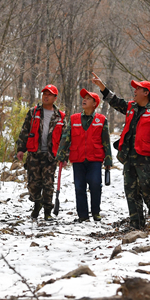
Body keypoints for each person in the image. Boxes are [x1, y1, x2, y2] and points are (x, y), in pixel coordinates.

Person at [91, 72, 150, 229]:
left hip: (145, 156)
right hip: (129, 155)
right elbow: (115, 101)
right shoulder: (131, 107)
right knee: (130, 189)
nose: (134, 91)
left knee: (146, 187)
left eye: (138, 88)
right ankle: (136, 222)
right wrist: (102, 87)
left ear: (146, 93)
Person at [56, 89, 113, 222]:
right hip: (78, 158)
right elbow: (66, 137)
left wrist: (108, 159)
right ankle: (82, 215)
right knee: (79, 187)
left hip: (95, 159)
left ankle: (95, 212)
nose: (84, 100)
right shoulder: (74, 119)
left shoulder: (101, 120)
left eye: (88, 98)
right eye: (84, 98)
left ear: (95, 103)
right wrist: (61, 155)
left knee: (95, 184)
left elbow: (106, 140)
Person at [16, 84, 66, 220]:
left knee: (48, 184)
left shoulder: (60, 116)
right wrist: (21, 149)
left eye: (49, 94)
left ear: (55, 98)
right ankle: (37, 202)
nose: (46, 96)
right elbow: (24, 131)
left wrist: (64, 156)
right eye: (44, 94)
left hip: (50, 156)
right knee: (33, 184)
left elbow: (64, 139)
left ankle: (47, 211)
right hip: (34, 154)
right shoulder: (33, 112)